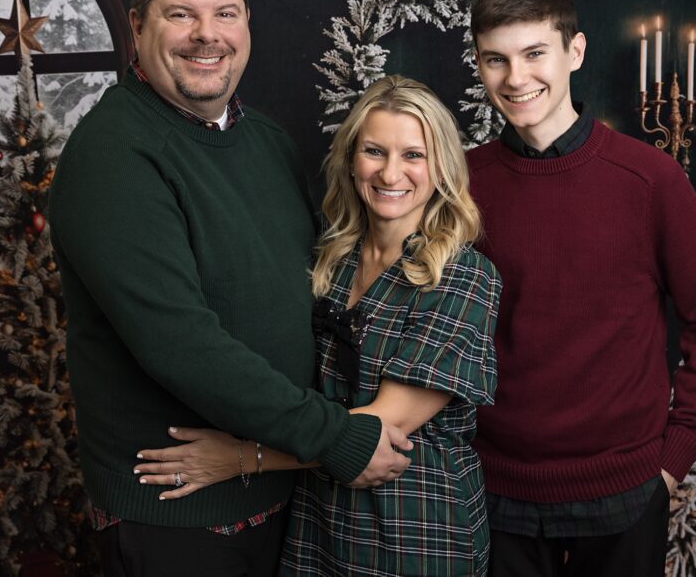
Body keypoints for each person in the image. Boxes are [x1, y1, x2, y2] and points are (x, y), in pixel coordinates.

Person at [48, 0, 411, 576]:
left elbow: (322, 290)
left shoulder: (265, 141)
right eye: (180, 14)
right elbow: (178, 342)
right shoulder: (114, 155)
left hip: (281, 490)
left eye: (225, 13)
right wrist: (335, 438)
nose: (206, 36)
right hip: (179, 510)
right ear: (137, 27)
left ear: (246, 23)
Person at [134, 75, 502, 576]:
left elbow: (382, 429)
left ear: (441, 168)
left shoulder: (461, 276)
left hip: (415, 526)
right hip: (319, 519)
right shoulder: (333, 260)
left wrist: (241, 457)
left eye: (413, 155)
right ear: (351, 161)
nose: (391, 172)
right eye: (375, 151)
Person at [466, 0, 696, 576]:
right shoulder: (460, 184)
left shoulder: (651, 180)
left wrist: (676, 455)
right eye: (496, 60)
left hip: (625, 487)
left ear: (575, 51)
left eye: (535, 53)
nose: (516, 79)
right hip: (493, 487)